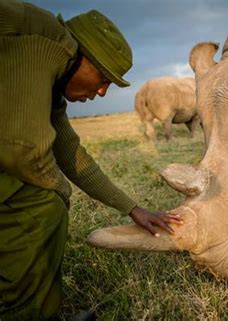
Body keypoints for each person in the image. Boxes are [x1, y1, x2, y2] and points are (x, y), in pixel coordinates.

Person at [0, 1, 183, 320]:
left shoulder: (52, 82)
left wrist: (132, 207)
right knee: (42, 203)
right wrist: (59, 190)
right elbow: (23, 149)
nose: (101, 91)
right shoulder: (44, 44)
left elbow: (70, 153)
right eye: (102, 77)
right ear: (80, 56)